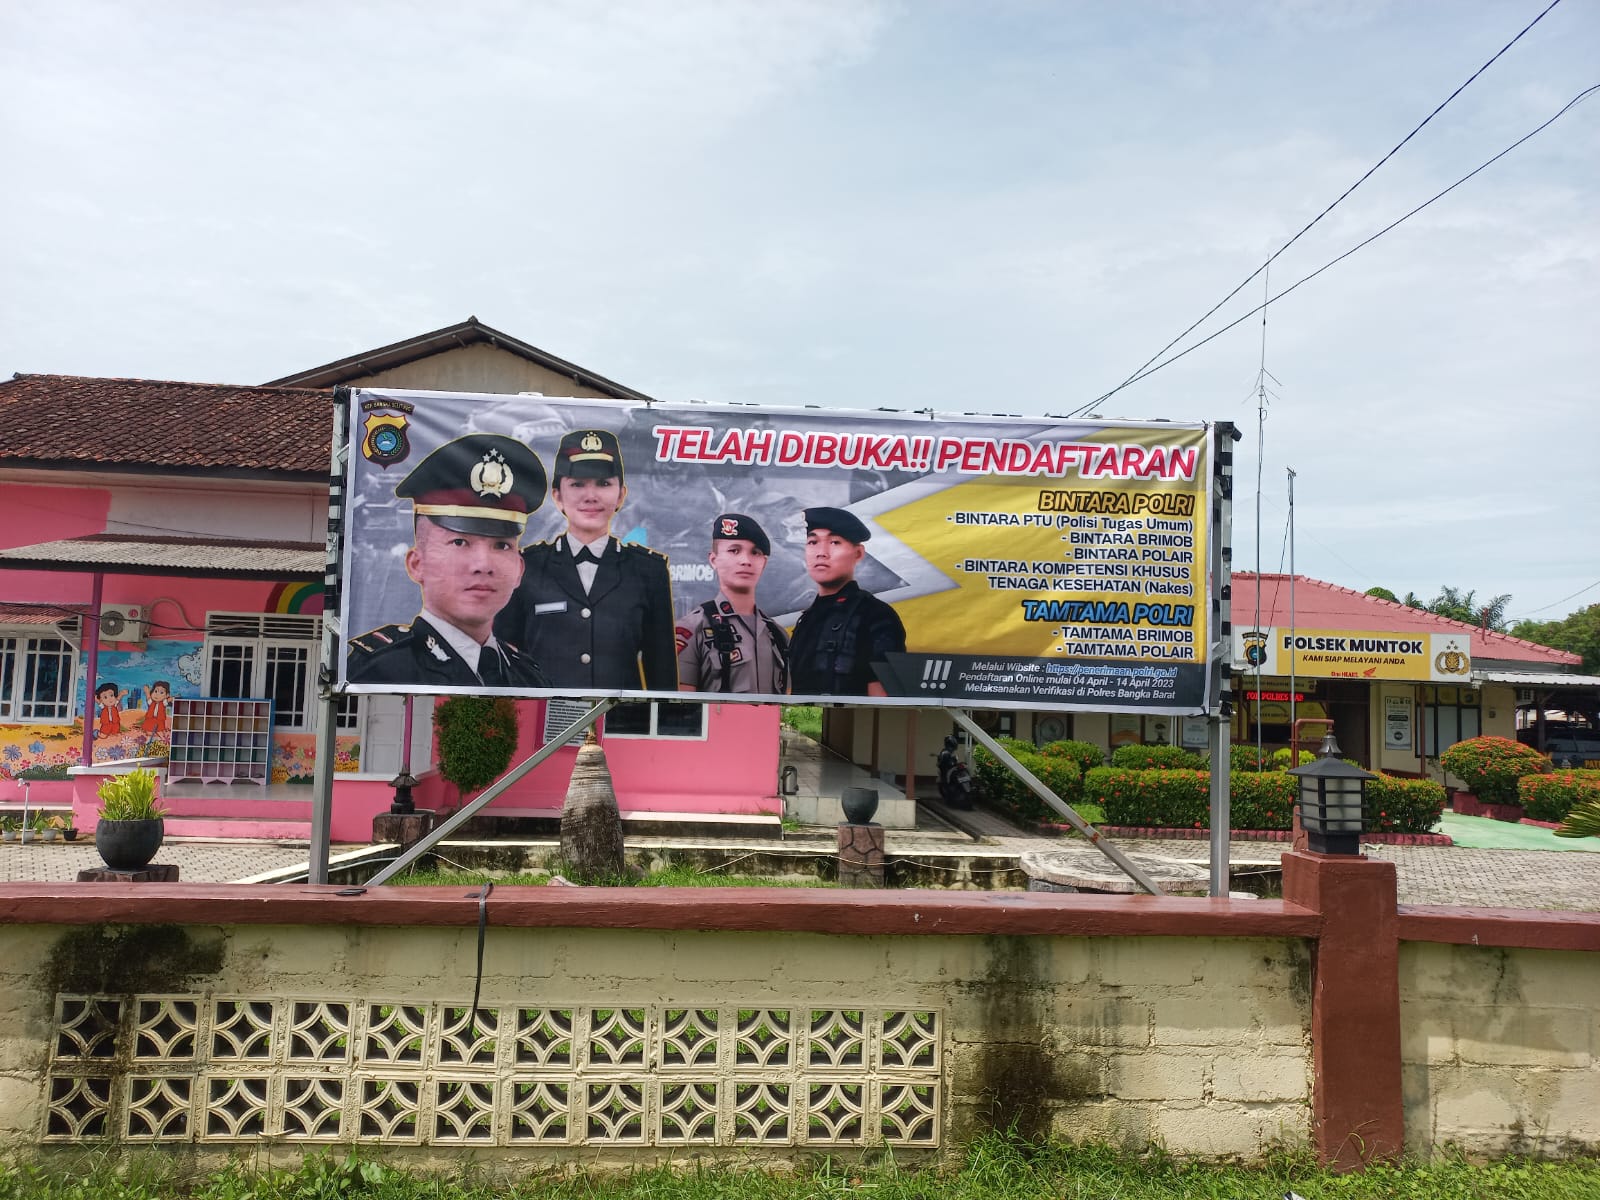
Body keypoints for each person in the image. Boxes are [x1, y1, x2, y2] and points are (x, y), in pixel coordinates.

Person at [348, 434, 551, 688]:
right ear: (416, 564)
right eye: (459, 542)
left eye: (501, 545)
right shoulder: (382, 669)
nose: (483, 565)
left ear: (519, 569)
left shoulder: (528, 676)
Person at [497, 428, 675, 691]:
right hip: (546, 725)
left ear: (621, 494)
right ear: (557, 496)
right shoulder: (526, 567)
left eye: (603, 484)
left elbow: (662, 673)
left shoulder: (648, 571)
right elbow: (504, 663)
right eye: (578, 484)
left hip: (621, 725)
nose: (590, 496)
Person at [787, 506, 907, 697]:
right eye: (812, 542)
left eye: (834, 542)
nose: (821, 552)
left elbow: (883, 703)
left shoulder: (875, 615)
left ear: (858, 553)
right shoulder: (807, 617)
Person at [675, 513, 789, 695]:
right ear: (713, 560)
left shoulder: (777, 635)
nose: (746, 561)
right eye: (734, 550)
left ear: (764, 563)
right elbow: (682, 705)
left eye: (755, 553)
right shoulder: (692, 629)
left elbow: (786, 701)